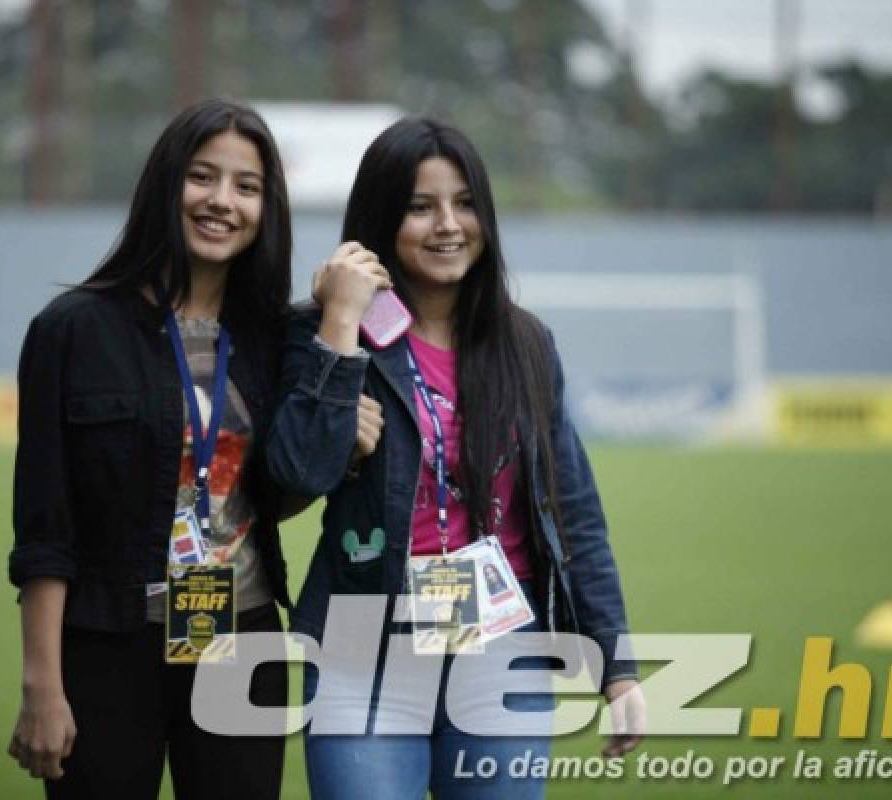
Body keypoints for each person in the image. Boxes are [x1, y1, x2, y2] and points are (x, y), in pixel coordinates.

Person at [266, 117, 644, 799]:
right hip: (364, 650)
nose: (448, 224)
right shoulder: (324, 330)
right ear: (382, 219)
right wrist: (342, 332)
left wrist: (617, 664)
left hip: (504, 652)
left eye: (464, 202)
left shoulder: (527, 345)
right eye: (420, 206)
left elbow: (574, 510)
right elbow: (297, 473)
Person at [6, 98, 293, 799]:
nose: (222, 201)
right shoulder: (71, 330)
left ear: (266, 208)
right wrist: (43, 683)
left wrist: (345, 435)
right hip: (108, 642)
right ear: (167, 185)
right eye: (203, 177)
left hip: (241, 640)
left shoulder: (275, 339)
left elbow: (285, 487)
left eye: (246, 187)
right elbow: (45, 526)